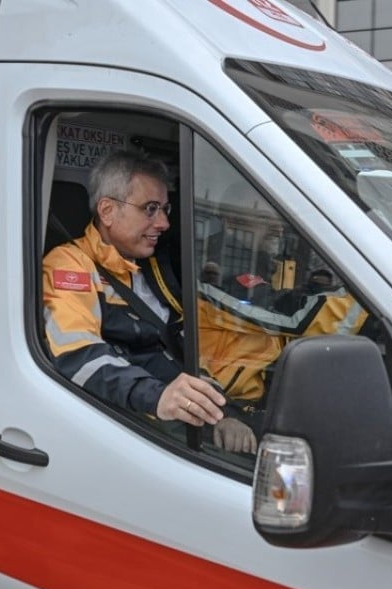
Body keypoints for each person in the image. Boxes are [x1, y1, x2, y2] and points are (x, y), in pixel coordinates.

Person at [42, 150, 255, 452]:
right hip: (126, 426)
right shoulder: (69, 265)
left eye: (165, 209)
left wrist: (224, 414)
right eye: (150, 209)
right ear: (107, 211)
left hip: (164, 416)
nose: (164, 223)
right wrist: (157, 397)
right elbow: (79, 356)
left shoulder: (153, 268)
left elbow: (179, 353)